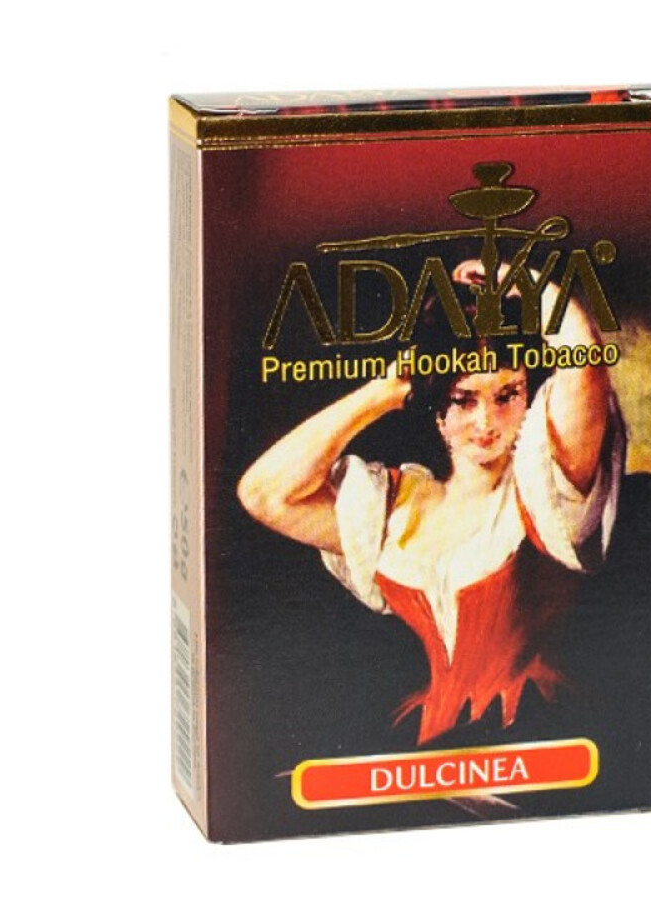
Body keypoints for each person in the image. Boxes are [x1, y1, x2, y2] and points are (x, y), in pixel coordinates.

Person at [238, 260, 625, 744]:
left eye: (507, 394)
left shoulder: (545, 486)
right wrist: (383, 393)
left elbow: (585, 361)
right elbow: (264, 494)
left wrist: (522, 282)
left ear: (528, 394)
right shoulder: (398, 508)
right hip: (434, 739)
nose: (486, 421)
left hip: (538, 729)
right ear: (438, 411)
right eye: (464, 399)